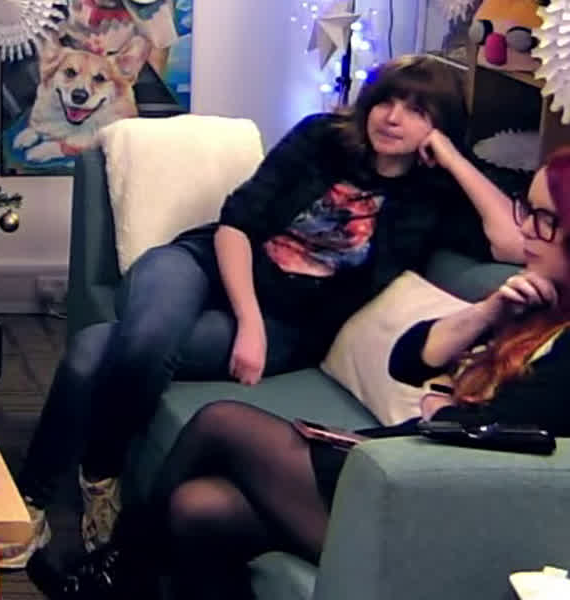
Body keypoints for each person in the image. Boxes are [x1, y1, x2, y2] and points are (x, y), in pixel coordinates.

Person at [6, 54, 523, 568]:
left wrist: (452, 159)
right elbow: (237, 224)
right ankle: (94, 476)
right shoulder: (321, 138)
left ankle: (46, 493)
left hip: (288, 324)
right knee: (146, 336)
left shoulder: (432, 198)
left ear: (440, 126)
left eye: (417, 111)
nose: (393, 118)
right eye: (388, 101)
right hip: (208, 263)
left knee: (95, 347)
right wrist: (249, 323)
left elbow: (512, 243)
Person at [40, 145, 570, 600]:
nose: (528, 229)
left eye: (545, 219)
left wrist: (447, 411)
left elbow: (506, 436)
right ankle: (121, 574)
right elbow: (408, 360)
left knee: (223, 421)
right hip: (398, 461)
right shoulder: (533, 304)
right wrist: (486, 314)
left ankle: (115, 571)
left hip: (424, 499)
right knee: (195, 508)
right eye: (528, 211)